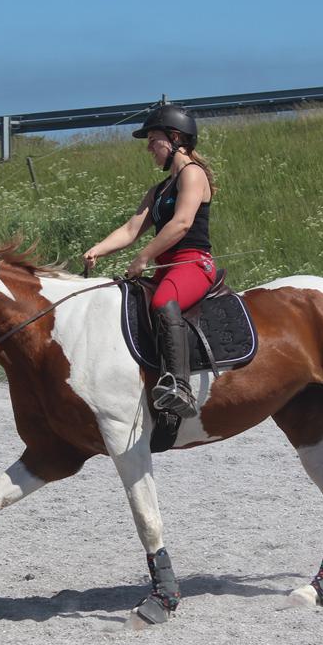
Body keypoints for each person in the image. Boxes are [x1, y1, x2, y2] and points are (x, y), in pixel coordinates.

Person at [83, 104, 218, 419]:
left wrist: (143, 257)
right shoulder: (158, 190)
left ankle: (180, 387)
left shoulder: (193, 174)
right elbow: (131, 229)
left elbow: (182, 223)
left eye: (153, 140)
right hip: (167, 267)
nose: (149, 148)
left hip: (193, 263)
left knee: (163, 301)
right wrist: (97, 250)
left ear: (175, 138)